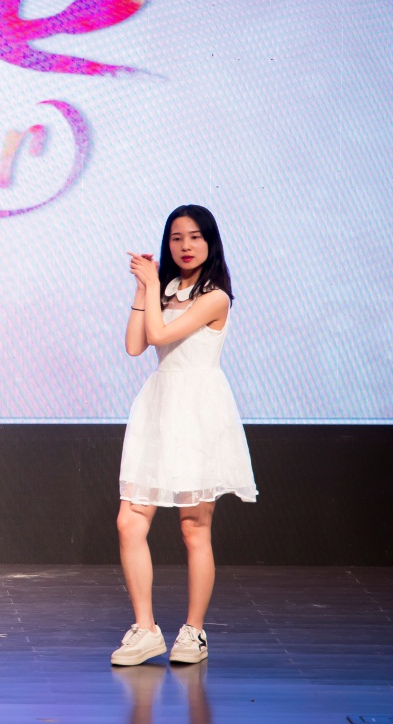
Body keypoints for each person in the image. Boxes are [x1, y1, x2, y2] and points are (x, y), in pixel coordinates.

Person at [112, 204, 257, 666]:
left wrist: (151, 287)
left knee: (194, 527)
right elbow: (135, 344)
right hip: (158, 409)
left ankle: (193, 632)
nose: (185, 246)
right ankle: (146, 629)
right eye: (176, 238)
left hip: (198, 412)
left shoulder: (216, 297)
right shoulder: (167, 288)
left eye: (195, 237)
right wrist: (145, 289)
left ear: (210, 242)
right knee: (129, 521)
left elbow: (159, 335)